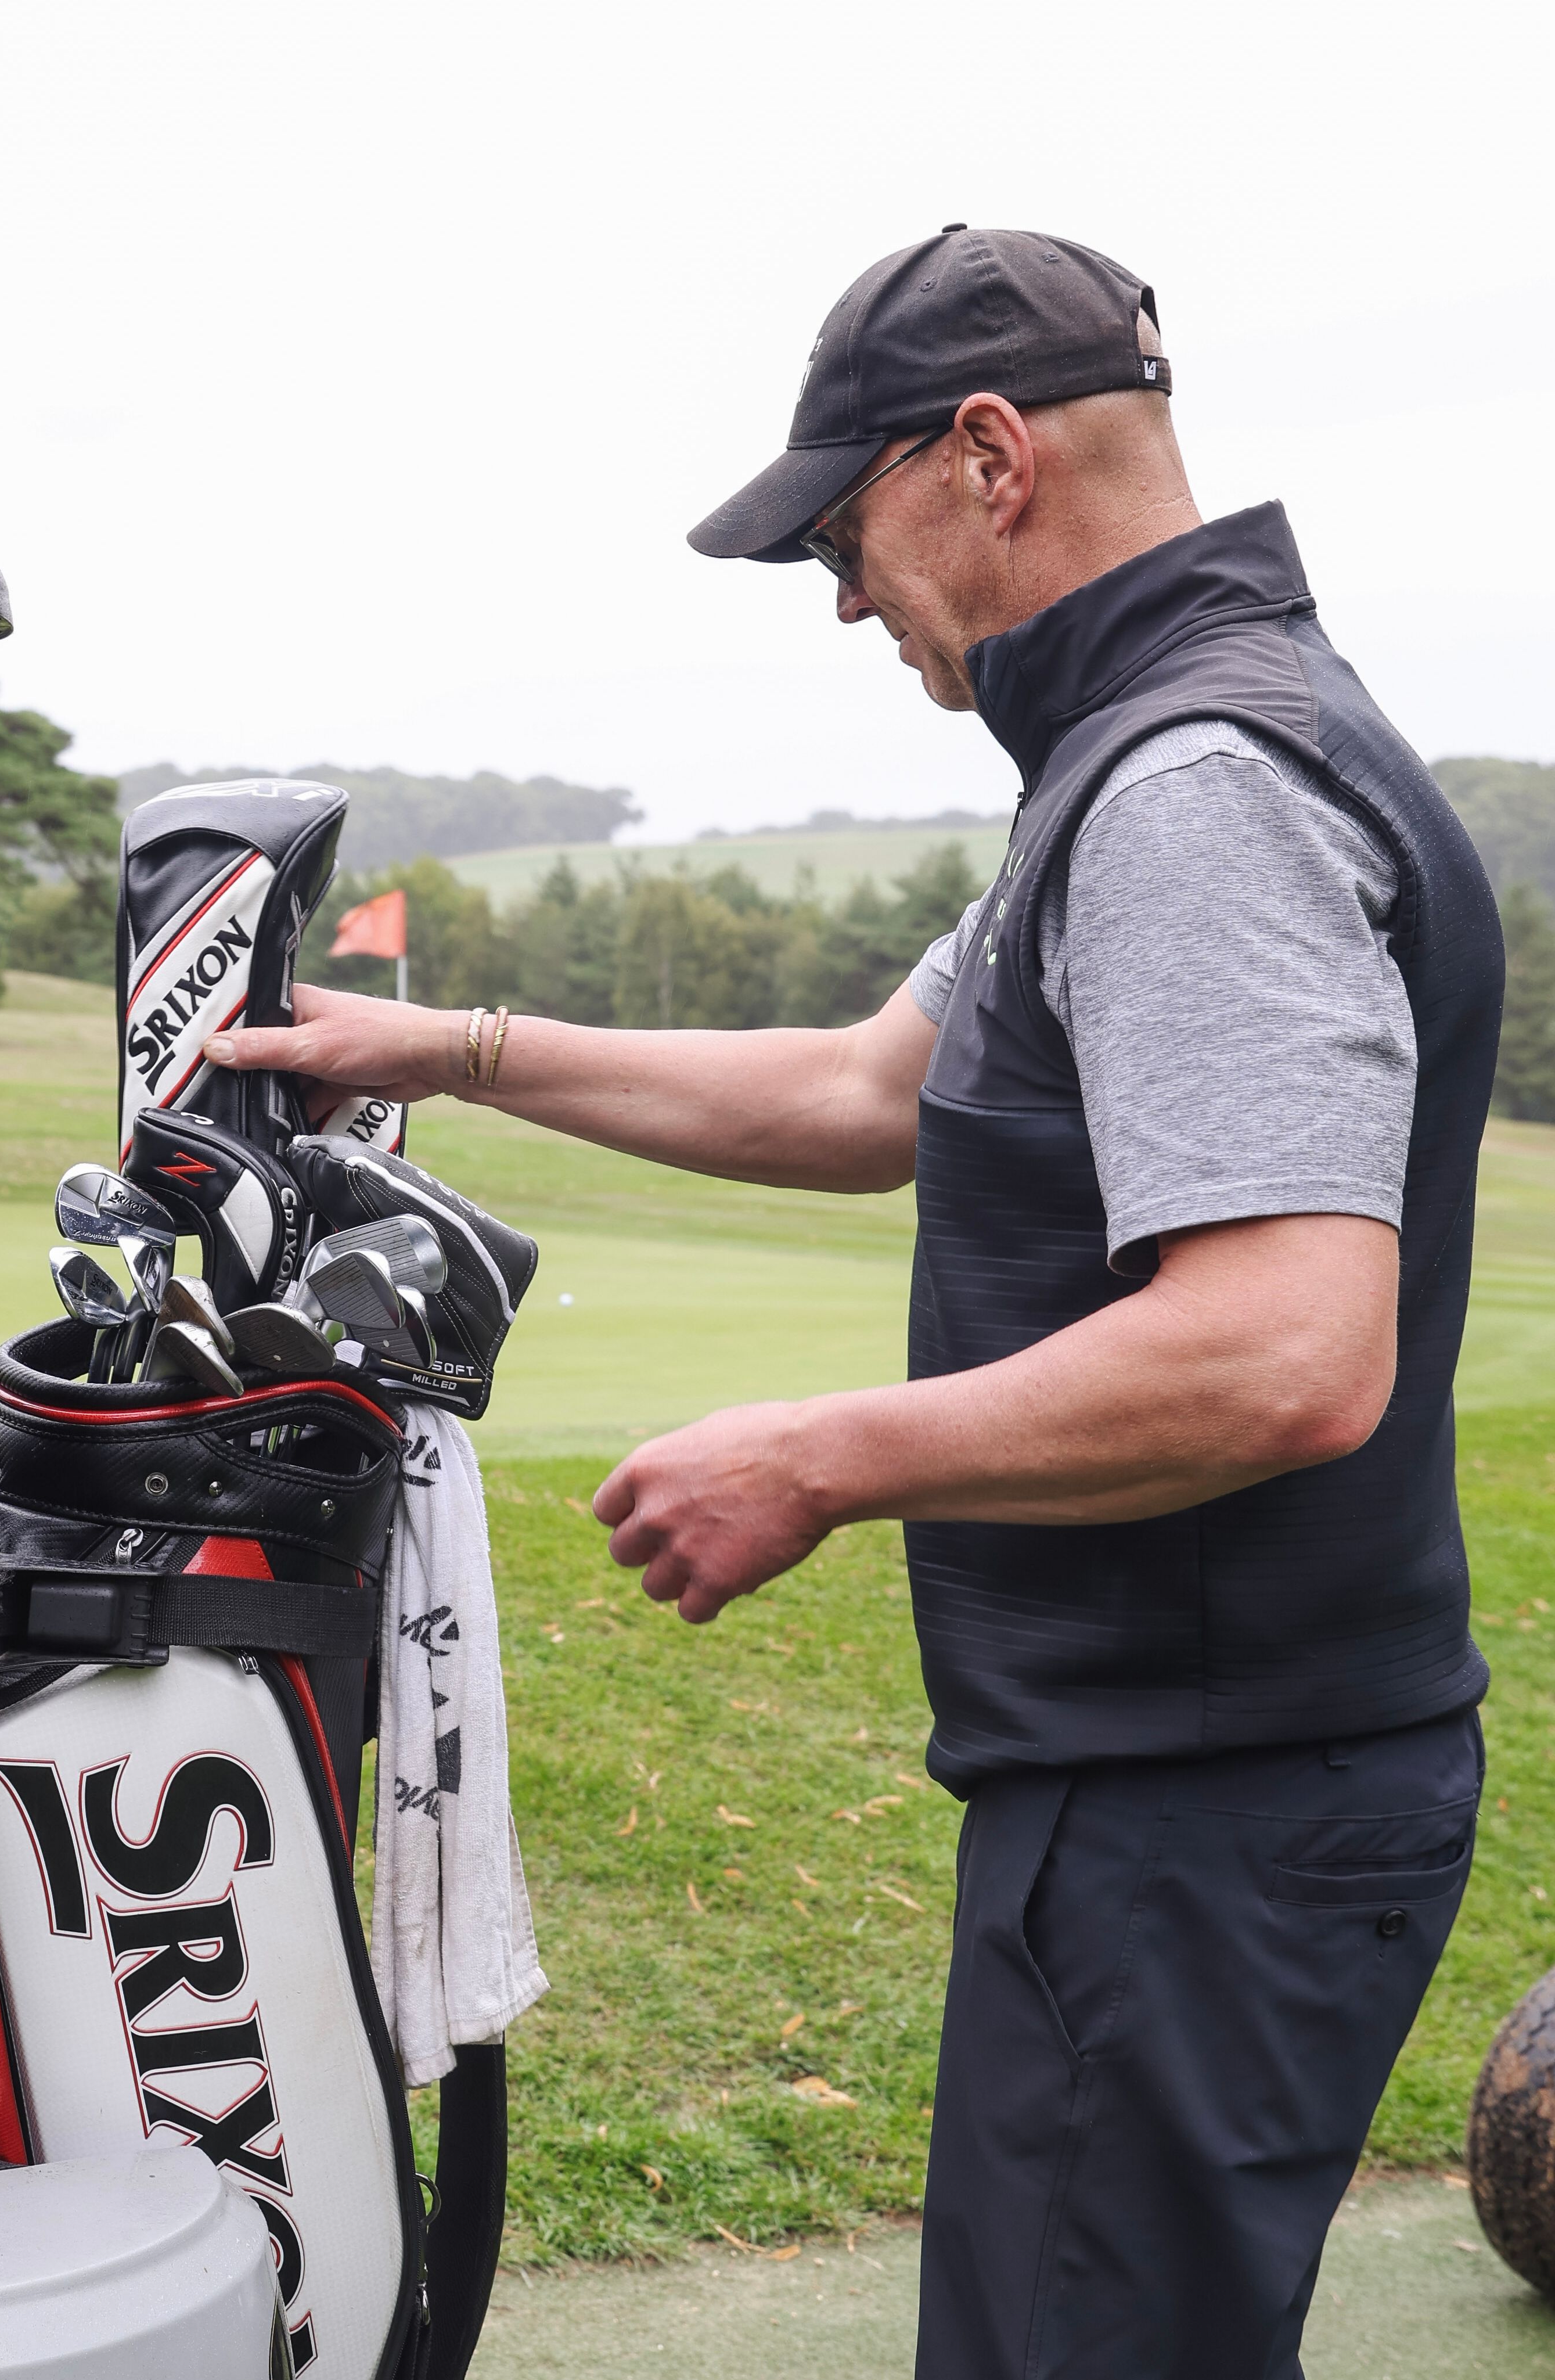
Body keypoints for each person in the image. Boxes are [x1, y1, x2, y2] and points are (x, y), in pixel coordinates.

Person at [204, 227, 1497, 2377]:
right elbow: (862, 1089)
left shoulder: (1191, 785)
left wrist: (821, 1454)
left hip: (1212, 1796)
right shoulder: (1146, 753)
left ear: (987, 456)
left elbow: (1287, 1346)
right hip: (1209, 1774)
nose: (835, 593)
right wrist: (447, 1050)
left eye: (840, 527)